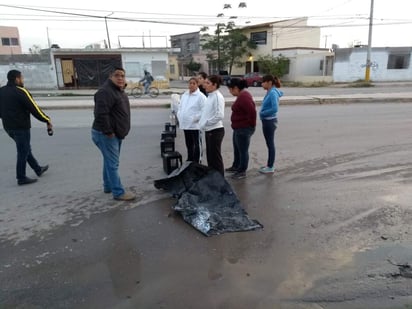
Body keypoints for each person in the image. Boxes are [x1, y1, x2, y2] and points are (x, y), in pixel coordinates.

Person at [0, 69, 52, 185]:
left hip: (8, 127)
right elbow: (34, 109)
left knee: (25, 148)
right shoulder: (21, 91)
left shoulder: (1, 91)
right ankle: (21, 177)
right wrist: (46, 119)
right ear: (17, 79)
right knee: (23, 151)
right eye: (22, 78)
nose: (23, 80)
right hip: (21, 127)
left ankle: (38, 169)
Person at [92, 67, 136, 201]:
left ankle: (108, 185)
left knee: (109, 160)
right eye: (117, 75)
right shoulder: (105, 92)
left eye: (123, 76)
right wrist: (108, 132)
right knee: (113, 163)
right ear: (110, 77)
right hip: (106, 134)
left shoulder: (118, 90)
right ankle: (118, 192)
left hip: (115, 133)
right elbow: (100, 114)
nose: (121, 78)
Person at [225, 78, 256, 179]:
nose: (229, 92)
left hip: (243, 129)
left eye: (230, 89)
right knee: (237, 149)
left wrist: (249, 127)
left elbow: (252, 113)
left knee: (243, 151)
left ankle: (242, 171)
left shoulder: (244, 97)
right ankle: (236, 166)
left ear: (235, 88)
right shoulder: (241, 95)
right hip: (238, 128)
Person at [199, 75, 225, 175]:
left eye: (207, 83)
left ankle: (220, 181)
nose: (205, 85)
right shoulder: (210, 96)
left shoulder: (218, 97)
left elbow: (219, 115)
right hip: (209, 130)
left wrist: (206, 123)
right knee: (210, 157)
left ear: (214, 85)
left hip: (215, 131)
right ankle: (213, 178)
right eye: (205, 82)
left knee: (215, 158)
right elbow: (207, 113)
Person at [177, 77, 206, 163]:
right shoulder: (184, 95)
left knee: (197, 144)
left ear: (197, 85)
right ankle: (190, 159)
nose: (192, 85)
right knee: (189, 143)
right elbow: (180, 107)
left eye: (194, 83)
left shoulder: (201, 97)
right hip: (186, 125)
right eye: (190, 83)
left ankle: (197, 160)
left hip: (195, 125)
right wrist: (179, 115)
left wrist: (195, 118)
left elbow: (204, 110)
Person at [259, 74, 283, 174]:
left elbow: (275, 108)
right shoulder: (270, 91)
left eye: (263, 82)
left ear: (269, 82)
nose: (262, 84)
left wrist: (262, 113)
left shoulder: (273, 93)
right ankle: (269, 165)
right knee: (269, 144)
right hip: (267, 121)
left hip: (269, 121)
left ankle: (270, 166)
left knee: (270, 144)